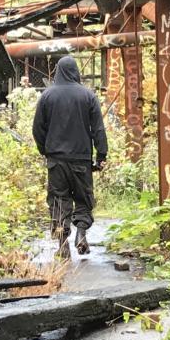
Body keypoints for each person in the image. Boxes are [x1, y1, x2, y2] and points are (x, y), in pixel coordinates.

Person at [31, 55, 108, 254]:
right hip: (81, 160)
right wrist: (101, 156)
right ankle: (81, 233)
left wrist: (45, 149)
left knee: (58, 199)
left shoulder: (47, 96)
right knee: (83, 198)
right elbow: (98, 128)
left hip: (56, 160)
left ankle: (63, 245)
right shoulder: (88, 95)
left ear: (58, 71)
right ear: (76, 72)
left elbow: (38, 128)